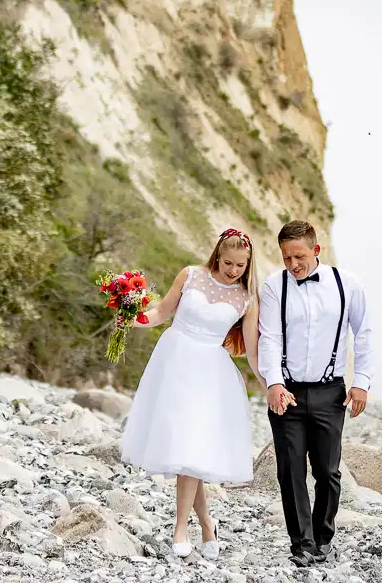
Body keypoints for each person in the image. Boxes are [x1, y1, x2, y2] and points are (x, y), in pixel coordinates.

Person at [120, 228, 260, 561]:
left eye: (240, 265)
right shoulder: (191, 275)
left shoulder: (247, 298)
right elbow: (161, 313)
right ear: (217, 255)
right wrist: (130, 318)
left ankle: (180, 528)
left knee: (191, 446)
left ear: (248, 264)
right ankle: (207, 523)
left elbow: (253, 352)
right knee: (185, 449)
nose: (233, 270)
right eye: (228, 262)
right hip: (173, 364)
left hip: (210, 375)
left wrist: (273, 385)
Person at [256, 220, 375, 568]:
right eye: (287, 257)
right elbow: (269, 337)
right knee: (290, 470)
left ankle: (323, 539)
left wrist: (361, 381)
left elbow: (364, 333)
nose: (293, 264)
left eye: (300, 256)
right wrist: (273, 383)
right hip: (287, 392)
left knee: (327, 471)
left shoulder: (347, 284)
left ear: (316, 250)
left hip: (330, 392)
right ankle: (302, 544)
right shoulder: (273, 286)